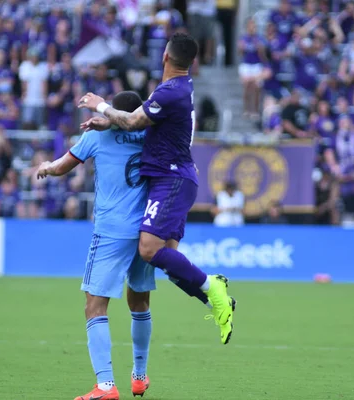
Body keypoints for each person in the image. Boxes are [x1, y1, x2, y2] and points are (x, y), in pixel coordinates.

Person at [37, 91, 218, 400]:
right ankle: (138, 374)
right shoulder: (152, 137)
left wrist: (46, 166)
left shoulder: (96, 138)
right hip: (146, 230)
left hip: (110, 231)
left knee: (95, 306)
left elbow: (63, 166)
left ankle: (105, 385)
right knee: (139, 302)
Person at [79, 32, 234, 345]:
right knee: (169, 261)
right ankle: (215, 300)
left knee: (148, 249)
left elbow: (135, 123)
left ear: (165, 56)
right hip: (177, 177)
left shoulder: (169, 92)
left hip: (171, 180)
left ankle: (211, 285)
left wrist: (102, 106)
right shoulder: (178, 89)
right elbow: (142, 122)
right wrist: (110, 120)